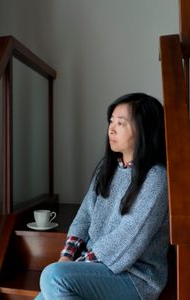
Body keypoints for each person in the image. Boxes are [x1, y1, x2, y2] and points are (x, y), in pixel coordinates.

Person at [35, 93, 169, 300]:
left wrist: (78, 264)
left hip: (136, 278)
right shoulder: (106, 169)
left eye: (121, 123)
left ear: (144, 129)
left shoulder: (156, 178)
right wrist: (66, 256)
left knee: (53, 277)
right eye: (111, 121)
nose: (111, 129)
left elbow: (129, 236)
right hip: (98, 267)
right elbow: (84, 216)